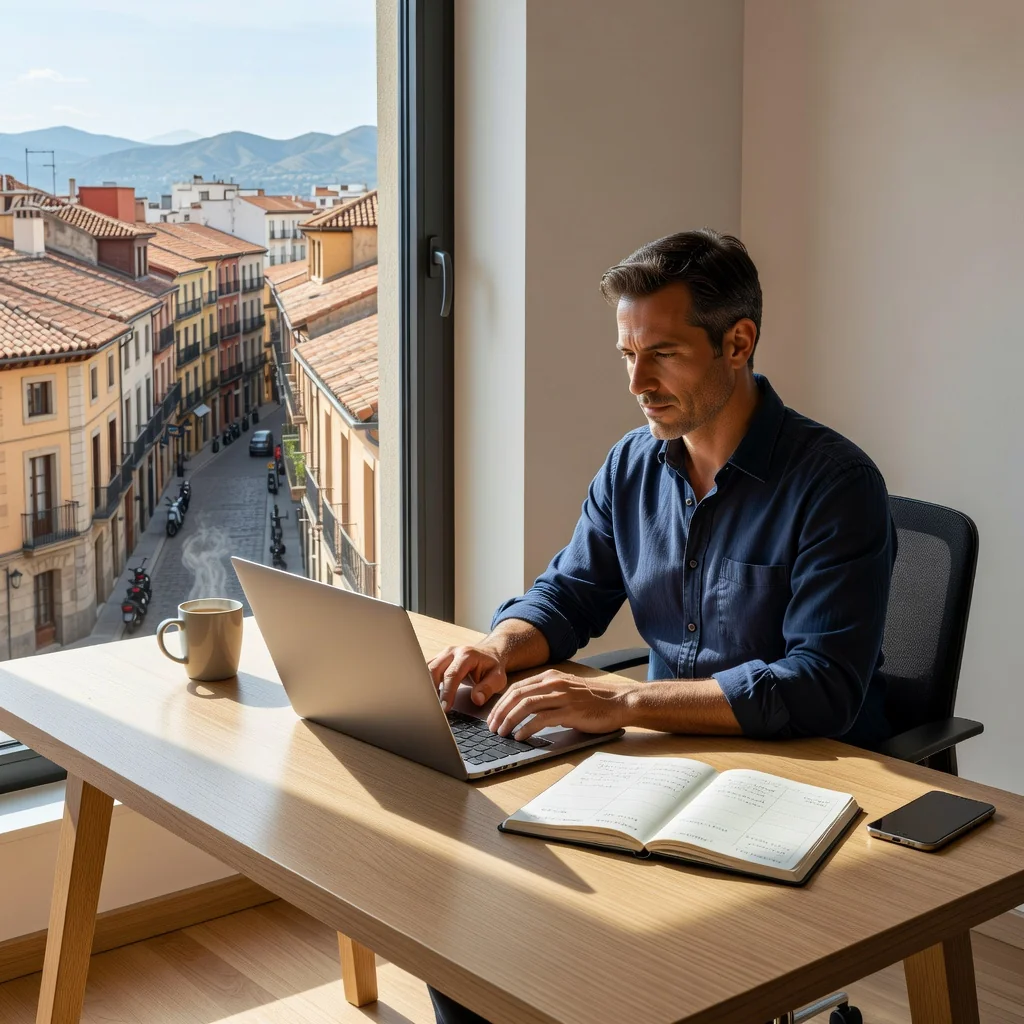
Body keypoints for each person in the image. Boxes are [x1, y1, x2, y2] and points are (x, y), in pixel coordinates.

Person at [425, 229, 896, 1024]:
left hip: (794, 776)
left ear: (737, 343)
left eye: (663, 355)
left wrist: (623, 704)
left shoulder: (835, 485)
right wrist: (497, 647)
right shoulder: (632, 465)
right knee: (470, 927)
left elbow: (820, 687)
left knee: (614, 964)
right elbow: (570, 593)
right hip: (660, 764)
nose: (638, 382)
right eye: (627, 355)